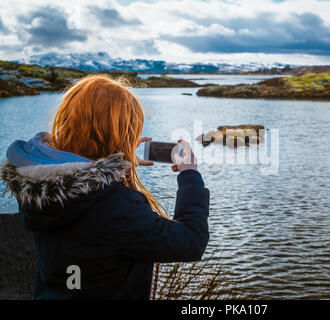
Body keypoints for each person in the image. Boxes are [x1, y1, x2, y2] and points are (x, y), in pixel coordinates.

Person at [0, 75, 209, 299]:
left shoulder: (36, 184)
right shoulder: (118, 207)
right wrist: (190, 175)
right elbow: (190, 241)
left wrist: (115, 164)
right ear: (122, 134)